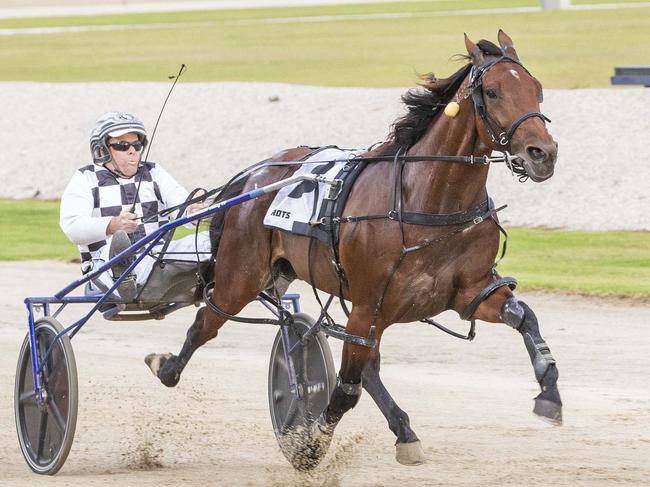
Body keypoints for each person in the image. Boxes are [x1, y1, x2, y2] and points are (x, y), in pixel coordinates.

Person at [60, 111, 211, 301]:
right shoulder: (85, 178)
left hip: (156, 261)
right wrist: (114, 225)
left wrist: (192, 211)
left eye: (136, 145)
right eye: (122, 146)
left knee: (211, 240)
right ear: (101, 150)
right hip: (103, 270)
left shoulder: (154, 172)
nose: (132, 151)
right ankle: (124, 276)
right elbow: (72, 227)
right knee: (119, 247)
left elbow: (179, 201)